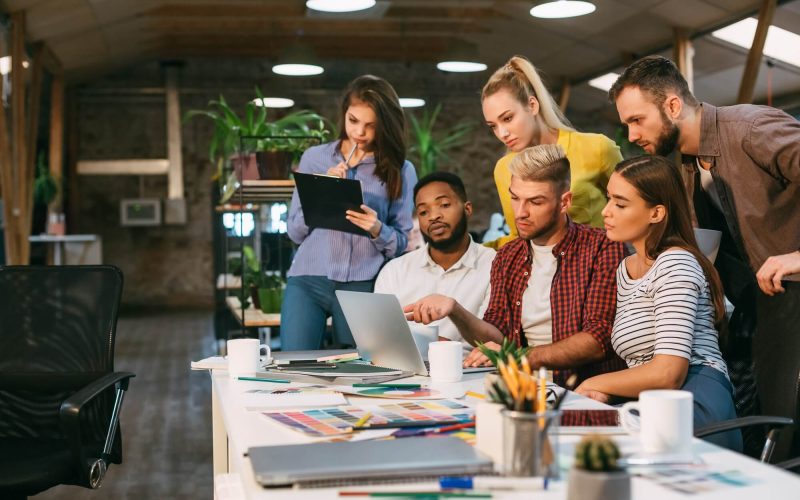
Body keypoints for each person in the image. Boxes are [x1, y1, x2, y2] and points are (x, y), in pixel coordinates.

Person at [609, 55, 799, 459]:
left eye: (638, 120)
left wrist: (798, 256)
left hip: (794, 298)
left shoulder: (750, 129)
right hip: (759, 312)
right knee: (761, 442)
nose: (631, 134)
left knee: (787, 441)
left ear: (673, 106)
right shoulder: (686, 167)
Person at [404, 145, 626, 386]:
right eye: (515, 198)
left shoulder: (602, 247)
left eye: (535, 202)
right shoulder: (508, 255)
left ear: (564, 202)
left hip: (581, 392)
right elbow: (497, 336)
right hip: (520, 390)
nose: (520, 213)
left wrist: (517, 358)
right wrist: (455, 310)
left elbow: (598, 340)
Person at [574, 155, 742, 451]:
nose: (606, 212)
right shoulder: (625, 269)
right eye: (609, 199)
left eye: (620, 204)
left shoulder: (676, 263)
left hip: (694, 400)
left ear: (657, 213)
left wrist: (595, 384)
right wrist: (608, 393)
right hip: (653, 402)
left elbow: (668, 372)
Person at [281, 75, 417, 350]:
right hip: (308, 278)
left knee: (359, 374)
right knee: (292, 365)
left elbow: (401, 244)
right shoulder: (314, 158)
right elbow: (294, 231)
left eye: (371, 126)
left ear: (385, 125)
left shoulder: (401, 170)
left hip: (362, 284)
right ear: (344, 113)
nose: (360, 132)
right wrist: (322, 194)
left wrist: (378, 229)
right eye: (353, 120)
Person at [482, 55, 622, 249]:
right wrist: (472, 253)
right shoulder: (504, 169)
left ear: (532, 105)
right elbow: (518, 236)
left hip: (600, 267)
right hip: (539, 273)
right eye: (493, 126)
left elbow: (632, 208)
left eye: (507, 118)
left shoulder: (596, 148)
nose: (502, 133)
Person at [374, 172, 495, 352]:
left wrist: (448, 343)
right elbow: (378, 336)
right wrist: (426, 342)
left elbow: (498, 340)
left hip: (471, 371)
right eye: (423, 211)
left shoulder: (495, 264)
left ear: (467, 209)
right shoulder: (395, 270)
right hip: (407, 369)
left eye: (444, 205)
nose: (433, 216)